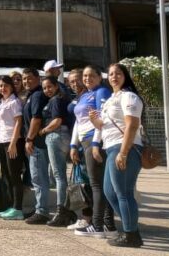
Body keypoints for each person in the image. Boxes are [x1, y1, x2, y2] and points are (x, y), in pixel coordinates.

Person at [89, 63, 145, 248]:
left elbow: (132, 125)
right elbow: (105, 126)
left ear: (125, 76)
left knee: (124, 193)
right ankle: (131, 228)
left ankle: (131, 235)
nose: (114, 77)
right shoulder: (112, 98)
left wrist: (123, 152)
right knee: (110, 192)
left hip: (124, 148)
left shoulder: (129, 96)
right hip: (111, 147)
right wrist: (95, 121)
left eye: (118, 73)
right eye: (111, 74)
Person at [71, 65, 116, 238]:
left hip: (94, 140)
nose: (87, 78)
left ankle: (98, 225)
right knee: (98, 185)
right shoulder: (85, 95)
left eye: (91, 75)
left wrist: (96, 142)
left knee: (98, 185)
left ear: (99, 77)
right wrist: (73, 145)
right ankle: (108, 226)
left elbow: (101, 119)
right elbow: (79, 121)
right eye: (85, 76)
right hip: (85, 142)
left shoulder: (101, 92)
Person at [40, 76, 75, 227]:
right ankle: (67, 209)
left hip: (56, 135)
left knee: (58, 176)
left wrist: (43, 131)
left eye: (49, 87)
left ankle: (62, 212)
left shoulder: (56, 100)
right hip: (62, 136)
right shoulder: (60, 99)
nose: (47, 90)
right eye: (44, 88)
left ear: (56, 86)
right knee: (57, 175)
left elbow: (57, 120)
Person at [0, 76, 26, 220]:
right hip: (2, 141)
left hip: (12, 142)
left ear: (12, 87)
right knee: (6, 175)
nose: (3, 88)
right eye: (0, 86)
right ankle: (11, 206)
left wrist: (13, 143)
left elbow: (18, 122)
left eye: (5, 85)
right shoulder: (1, 103)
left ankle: (18, 208)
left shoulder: (14, 102)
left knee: (14, 175)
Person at [22, 67, 51, 225]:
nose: (26, 81)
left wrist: (29, 139)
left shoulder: (38, 95)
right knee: (36, 177)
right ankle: (40, 207)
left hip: (37, 144)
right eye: (24, 78)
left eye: (29, 78)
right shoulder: (32, 95)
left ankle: (42, 212)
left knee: (39, 178)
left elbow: (36, 119)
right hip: (35, 143)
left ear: (38, 78)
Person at [66, 67, 93, 229]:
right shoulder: (80, 97)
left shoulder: (91, 96)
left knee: (87, 183)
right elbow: (78, 121)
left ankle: (89, 218)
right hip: (78, 143)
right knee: (79, 182)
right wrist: (73, 145)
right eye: (71, 81)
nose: (74, 84)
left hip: (89, 143)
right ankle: (86, 216)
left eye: (77, 79)